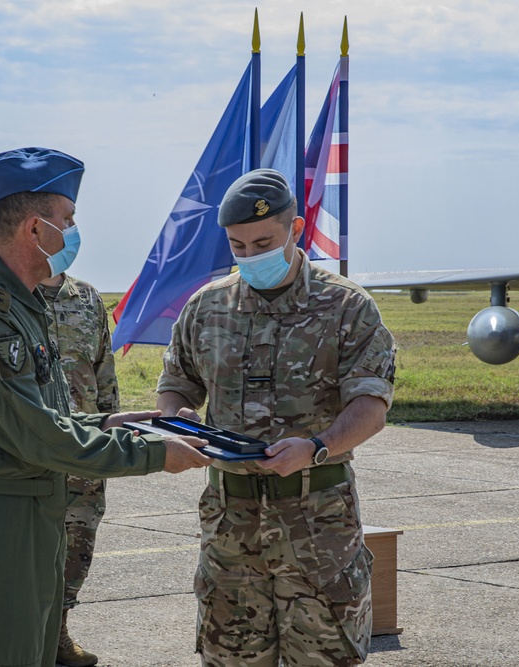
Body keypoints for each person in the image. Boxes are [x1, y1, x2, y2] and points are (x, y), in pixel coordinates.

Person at [0, 146, 211, 667]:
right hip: (0, 522)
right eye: (68, 220)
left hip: (30, 512)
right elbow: (35, 436)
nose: (74, 232)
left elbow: (44, 416)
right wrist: (154, 455)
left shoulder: (24, 304)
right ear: (36, 230)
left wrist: (112, 422)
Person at [156, 169, 397, 666]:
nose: (249, 256)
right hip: (229, 528)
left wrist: (318, 446)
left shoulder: (347, 307)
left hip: (318, 524)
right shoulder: (207, 307)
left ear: (297, 227)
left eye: (263, 241)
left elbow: (371, 406)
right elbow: (176, 383)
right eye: (237, 246)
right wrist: (176, 419)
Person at [37, 271, 118, 666]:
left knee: (78, 542)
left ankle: (58, 633)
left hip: (85, 449)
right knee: (29, 546)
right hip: (32, 449)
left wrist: (114, 433)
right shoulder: (10, 293)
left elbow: (104, 367)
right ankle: (25, 635)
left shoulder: (87, 297)